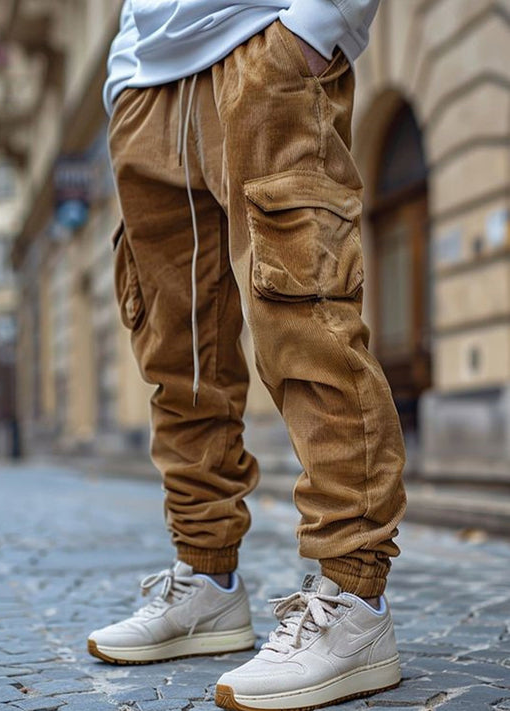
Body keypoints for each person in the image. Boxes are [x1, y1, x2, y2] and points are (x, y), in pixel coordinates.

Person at [88, 1, 407, 708]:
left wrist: (321, 23)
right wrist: (122, 73)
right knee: (179, 359)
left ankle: (354, 604)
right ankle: (208, 582)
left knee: (306, 328)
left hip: (263, 51)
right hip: (146, 87)